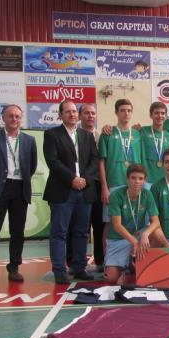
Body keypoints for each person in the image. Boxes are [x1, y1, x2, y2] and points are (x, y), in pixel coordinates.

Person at [0, 104, 38, 285]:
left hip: (19, 189)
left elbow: (31, 166)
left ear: (21, 119)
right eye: (10, 116)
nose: (14, 119)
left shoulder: (29, 140)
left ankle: (14, 268)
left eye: (17, 116)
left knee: (17, 232)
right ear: (3, 118)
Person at [43, 100, 99, 284]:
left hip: (84, 190)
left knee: (81, 232)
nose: (72, 114)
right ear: (60, 115)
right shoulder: (52, 135)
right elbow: (53, 161)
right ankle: (59, 270)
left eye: (75, 111)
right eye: (68, 112)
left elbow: (93, 160)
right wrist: (72, 179)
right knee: (59, 232)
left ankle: (79, 267)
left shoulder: (86, 135)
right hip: (62, 191)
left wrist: (83, 179)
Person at [105, 164, 164, 284]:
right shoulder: (116, 195)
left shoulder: (147, 194)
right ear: (127, 179)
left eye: (141, 178)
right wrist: (134, 242)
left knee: (156, 232)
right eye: (133, 178)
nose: (137, 181)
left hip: (137, 235)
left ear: (145, 180)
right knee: (112, 279)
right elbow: (116, 225)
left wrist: (145, 234)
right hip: (118, 239)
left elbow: (156, 221)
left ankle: (139, 266)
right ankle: (128, 267)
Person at [66, 103, 104, 272]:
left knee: (99, 225)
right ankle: (73, 262)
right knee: (78, 227)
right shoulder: (73, 136)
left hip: (98, 186)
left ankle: (101, 261)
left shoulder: (102, 136)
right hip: (79, 185)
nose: (90, 116)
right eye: (86, 113)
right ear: (80, 116)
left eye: (93, 113)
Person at [99, 99, 143, 220]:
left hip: (135, 184)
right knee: (110, 223)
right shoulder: (107, 134)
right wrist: (104, 187)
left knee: (133, 221)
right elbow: (101, 163)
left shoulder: (138, 134)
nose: (126, 113)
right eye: (122, 110)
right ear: (116, 112)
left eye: (129, 111)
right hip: (114, 183)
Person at [140, 101, 169, 186]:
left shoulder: (168, 135)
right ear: (151, 115)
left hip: (164, 178)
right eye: (156, 113)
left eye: (162, 113)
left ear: (166, 116)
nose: (160, 116)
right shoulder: (142, 131)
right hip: (146, 179)